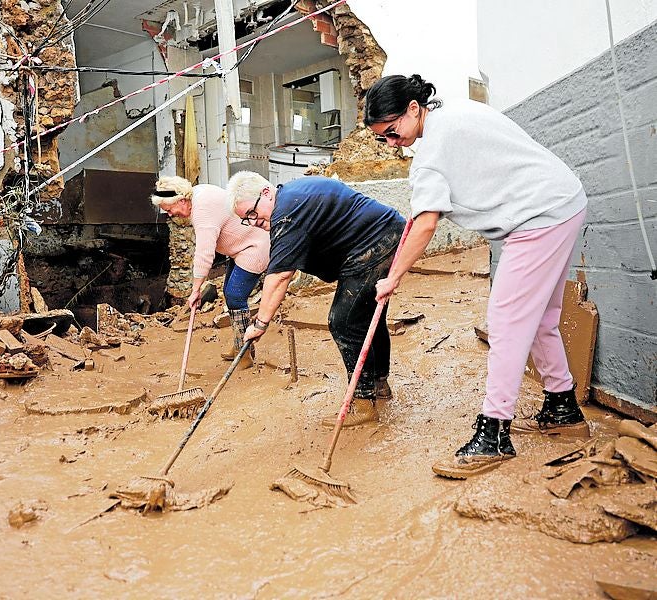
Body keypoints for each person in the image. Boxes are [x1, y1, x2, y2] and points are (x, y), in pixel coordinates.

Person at [364, 74, 590, 479]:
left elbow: (426, 224)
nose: (393, 143)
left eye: (393, 132)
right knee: (539, 318)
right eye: (384, 138)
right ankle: (562, 408)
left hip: (537, 217)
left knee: (505, 322)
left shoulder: (431, 151)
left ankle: (494, 435)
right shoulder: (454, 112)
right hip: (562, 202)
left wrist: (393, 277)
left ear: (414, 109)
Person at [227, 172, 405, 427]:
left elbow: (279, 276)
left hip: (376, 241)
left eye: (252, 214)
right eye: (246, 219)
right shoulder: (291, 199)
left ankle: (363, 404)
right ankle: (379, 385)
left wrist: (260, 324)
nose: (252, 222)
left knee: (343, 321)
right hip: (382, 234)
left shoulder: (287, 212)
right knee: (365, 318)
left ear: (266, 193)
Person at [151, 176, 270, 369]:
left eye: (169, 209)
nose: (171, 215)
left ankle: (245, 354)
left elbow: (205, 252)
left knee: (235, 296)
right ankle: (240, 343)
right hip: (241, 247)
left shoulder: (202, 209)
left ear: (181, 200)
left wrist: (196, 290)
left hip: (255, 246)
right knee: (230, 292)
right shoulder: (199, 193)